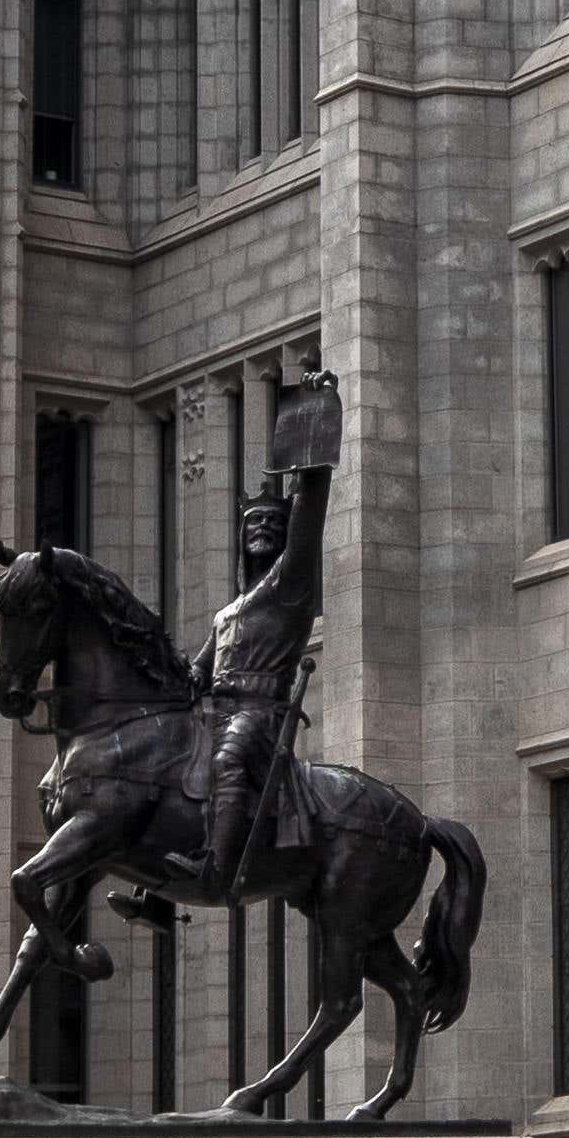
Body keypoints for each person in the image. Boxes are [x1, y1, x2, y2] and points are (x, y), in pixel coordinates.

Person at [197, 373, 344, 889]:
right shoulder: (227, 614)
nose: (261, 528)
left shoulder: (287, 589)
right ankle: (154, 893)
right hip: (214, 711)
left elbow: (307, 520)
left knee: (230, 758)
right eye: (253, 523)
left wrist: (314, 430)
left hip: (259, 715)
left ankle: (215, 869)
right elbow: (194, 674)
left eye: (271, 524)